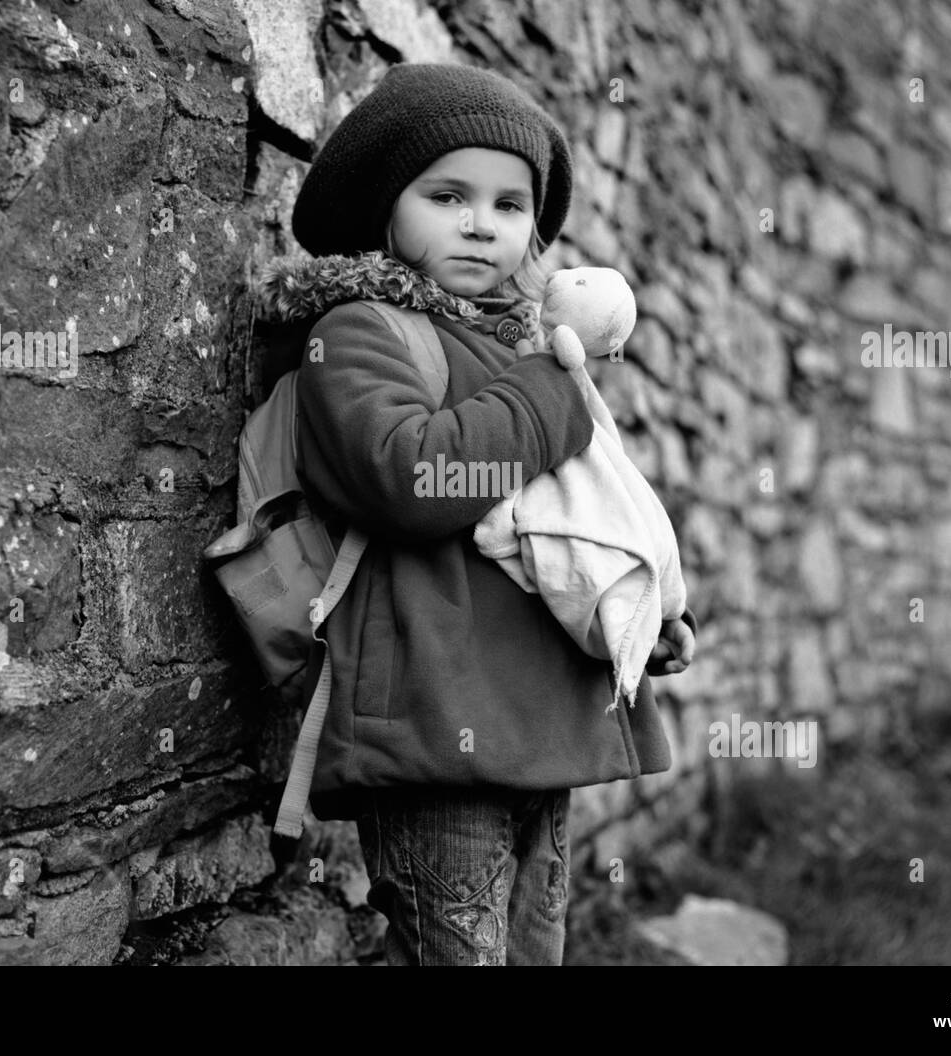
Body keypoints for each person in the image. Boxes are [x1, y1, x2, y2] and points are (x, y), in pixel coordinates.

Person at [277, 63, 697, 965]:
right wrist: (552, 386)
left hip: (543, 736)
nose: (482, 223)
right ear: (385, 207)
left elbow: (582, 517)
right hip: (442, 736)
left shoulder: (521, 346)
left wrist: (637, 612)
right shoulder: (358, 332)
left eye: (511, 206)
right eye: (448, 195)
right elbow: (411, 477)